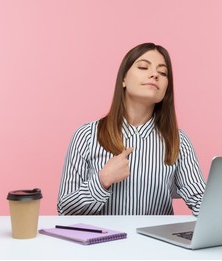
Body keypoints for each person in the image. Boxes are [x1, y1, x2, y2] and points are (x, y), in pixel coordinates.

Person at [57, 42, 205, 216]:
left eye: (163, 73)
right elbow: (65, 210)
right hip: (101, 243)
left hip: (155, 244)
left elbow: (201, 201)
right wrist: (102, 180)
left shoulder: (178, 142)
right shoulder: (87, 136)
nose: (154, 75)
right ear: (123, 80)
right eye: (143, 67)